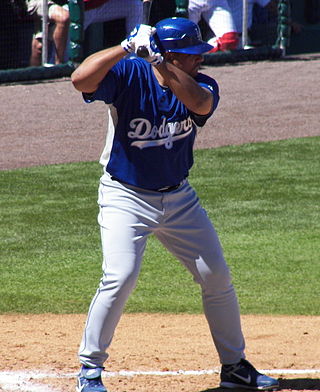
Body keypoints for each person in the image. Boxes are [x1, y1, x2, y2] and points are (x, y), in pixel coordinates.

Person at [71, 17, 280, 392]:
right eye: (190, 55)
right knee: (120, 277)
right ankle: (89, 370)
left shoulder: (201, 84)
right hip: (126, 197)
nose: (200, 60)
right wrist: (123, 47)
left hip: (180, 197)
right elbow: (80, 80)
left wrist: (160, 63)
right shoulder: (130, 74)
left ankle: (234, 367)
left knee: (217, 276)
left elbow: (198, 103)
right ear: (171, 53)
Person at [26, 0, 70, 65]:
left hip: (60, 3)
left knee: (39, 46)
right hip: (38, 1)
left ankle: (32, 73)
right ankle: (58, 66)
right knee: (63, 17)